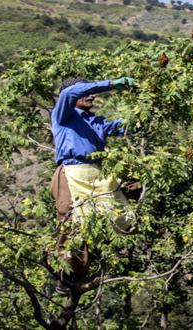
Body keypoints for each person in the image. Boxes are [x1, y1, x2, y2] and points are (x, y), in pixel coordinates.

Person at [50, 77, 136, 295]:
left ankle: (83, 271)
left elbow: (119, 128)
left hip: (96, 174)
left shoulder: (95, 120)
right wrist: (112, 84)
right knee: (71, 224)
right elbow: (69, 93)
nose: (91, 96)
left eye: (92, 93)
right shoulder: (64, 115)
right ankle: (65, 277)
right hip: (72, 173)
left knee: (103, 221)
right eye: (86, 93)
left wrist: (142, 113)